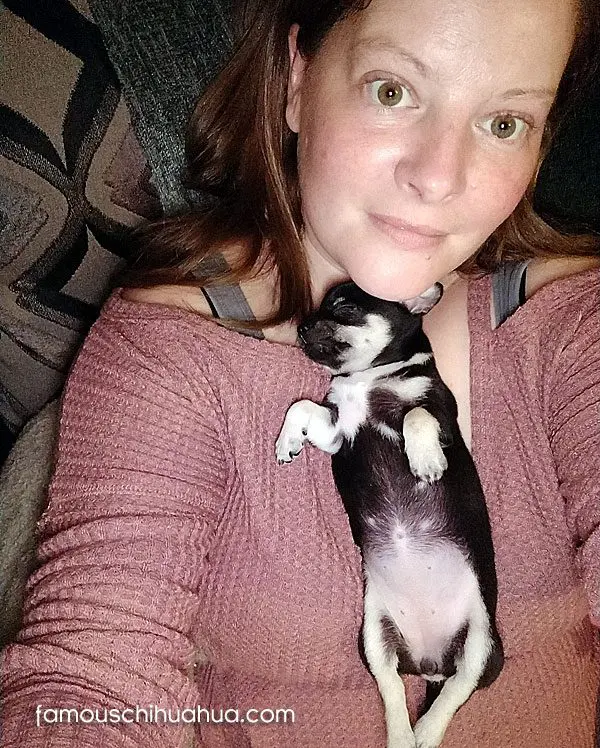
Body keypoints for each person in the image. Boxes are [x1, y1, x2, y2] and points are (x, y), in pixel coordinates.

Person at [2, 0, 600, 745]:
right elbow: (93, 676)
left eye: (504, 122)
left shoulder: (572, 321)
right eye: (392, 90)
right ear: (296, 79)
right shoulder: (171, 353)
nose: (438, 177)